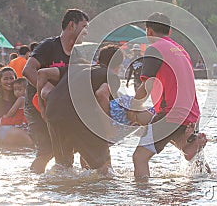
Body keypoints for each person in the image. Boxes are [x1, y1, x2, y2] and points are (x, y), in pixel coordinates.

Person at [130, 12, 207, 180]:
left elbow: (147, 85)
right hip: (192, 114)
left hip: (171, 114)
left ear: (148, 31)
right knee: (195, 159)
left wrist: (133, 105)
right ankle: (190, 148)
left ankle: (143, 196)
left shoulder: (154, 48)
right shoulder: (181, 49)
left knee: (139, 158)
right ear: (170, 31)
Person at [22, 8, 89, 174]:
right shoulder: (49, 46)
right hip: (37, 104)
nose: (87, 32)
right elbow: (28, 70)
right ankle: (32, 184)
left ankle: (70, 186)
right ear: (71, 26)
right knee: (47, 150)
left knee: (71, 150)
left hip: (61, 108)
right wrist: (47, 89)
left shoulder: (78, 54)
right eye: (84, 27)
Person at [42, 45, 123, 174]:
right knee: (104, 167)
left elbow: (42, 76)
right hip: (76, 115)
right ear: (118, 66)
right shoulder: (111, 76)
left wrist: (43, 110)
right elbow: (101, 94)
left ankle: (56, 188)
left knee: (62, 166)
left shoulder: (77, 70)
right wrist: (107, 129)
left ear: (98, 60)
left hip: (54, 113)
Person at [0, 67, 33, 146]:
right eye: (5, 79)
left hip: (21, 128)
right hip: (3, 129)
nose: (9, 81)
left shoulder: (20, 96)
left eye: (11, 78)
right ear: (0, 81)